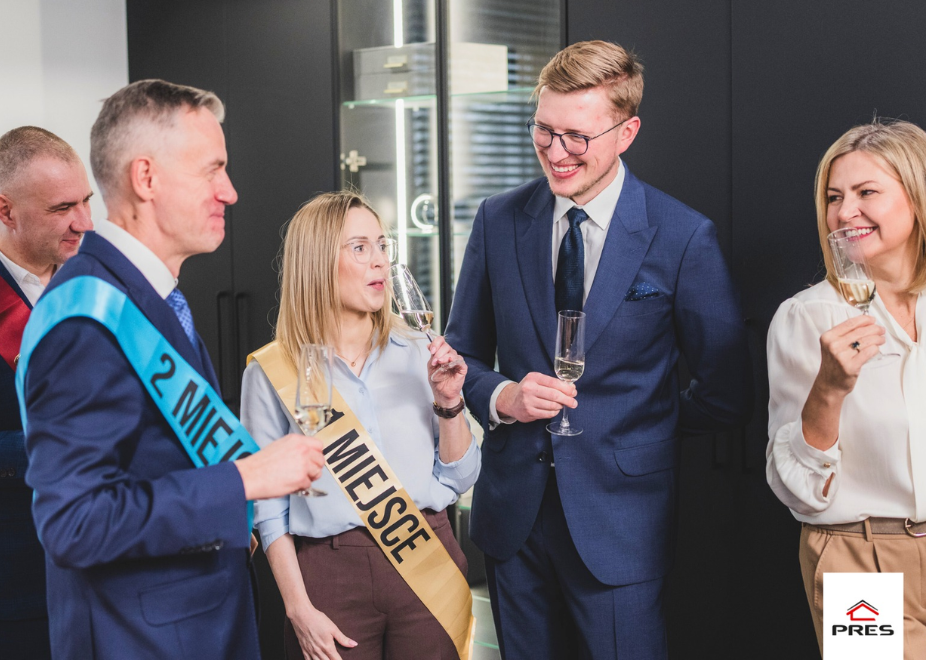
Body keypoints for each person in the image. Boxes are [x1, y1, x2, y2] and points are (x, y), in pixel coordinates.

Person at [445, 40, 753, 659]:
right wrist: (503, 395)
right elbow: (460, 357)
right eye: (544, 130)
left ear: (626, 133)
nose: (555, 152)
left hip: (623, 524)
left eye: (577, 137)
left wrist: (636, 425)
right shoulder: (498, 219)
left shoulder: (683, 236)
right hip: (513, 522)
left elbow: (726, 393)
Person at [19, 79, 326, 659]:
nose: (229, 192)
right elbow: (74, 523)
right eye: (212, 170)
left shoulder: (150, 296)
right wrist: (244, 481)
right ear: (146, 178)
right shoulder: (86, 318)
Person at [241, 191, 480, 660]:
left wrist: (449, 404)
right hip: (328, 576)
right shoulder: (272, 371)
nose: (380, 262)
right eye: (359, 247)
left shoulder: (421, 351)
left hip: (427, 560)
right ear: (316, 263)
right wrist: (297, 608)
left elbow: (461, 477)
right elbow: (267, 509)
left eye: (382, 246)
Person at [767, 119, 926, 658]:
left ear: (916, 195)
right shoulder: (807, 316)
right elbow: (797, 490)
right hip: (860, 560)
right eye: (834, 197)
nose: (844, 212)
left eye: (866, 192)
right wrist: (829, 389)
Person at [0, 126, 92, 660]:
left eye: (86, 201)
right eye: (62, 208)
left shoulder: (104, 284)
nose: (84, 221)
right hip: (20, 586)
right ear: (6, 211)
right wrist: (48, 449)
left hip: (110, 572)